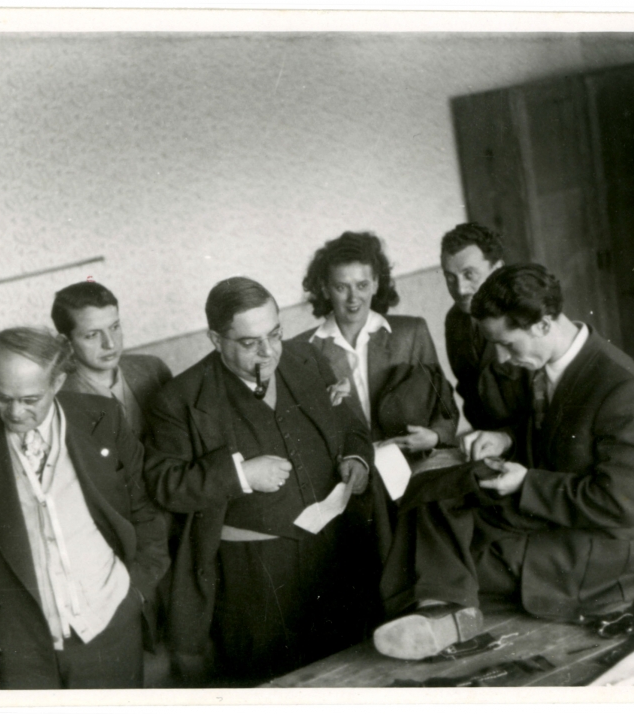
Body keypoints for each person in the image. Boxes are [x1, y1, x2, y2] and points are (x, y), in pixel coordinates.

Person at [374, 264, 634, 660]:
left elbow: (622, 503)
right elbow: (556, 430)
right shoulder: (550, 363)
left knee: (450, 559)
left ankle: (445, 611)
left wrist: (526, 483)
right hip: (557, 513)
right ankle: (443, 608)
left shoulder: (626, 391)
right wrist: (507, 437)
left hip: (609, 550)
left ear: (543, 325)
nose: (504, 358)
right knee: (432, 494)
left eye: (508, 345)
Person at [143, 277, 375, 684]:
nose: (269, 353)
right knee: (276, 681)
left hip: (335, 551)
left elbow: (350, 423)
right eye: (250, 343)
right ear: (215, 339)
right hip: (255, 575)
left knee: (354, 671)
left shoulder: (307, 359)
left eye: (275, 334)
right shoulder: (179, 399)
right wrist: (239, 474)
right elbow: (166, 485)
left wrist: (357, 457)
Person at [0, 327, 169, 688]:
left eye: (30, 399)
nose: (15, 412)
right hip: (17, 648)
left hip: (111, 626)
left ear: (57, 382)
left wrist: (133, 593)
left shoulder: (103, 419)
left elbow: (144, 513)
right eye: (2, 397)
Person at [297, 231, 459, 449]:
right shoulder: (303, 350)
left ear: (375, 283)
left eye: (362, 285)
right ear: (325, 289)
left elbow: (445, 410)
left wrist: (435, 437)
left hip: (417, 463)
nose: (354, 298)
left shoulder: (411, 333)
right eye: (341, 287)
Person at [52, 281, 172, 440]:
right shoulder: (57, 396)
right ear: (65, 342)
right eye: (92, 335)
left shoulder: (153, 369)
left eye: (114, 327)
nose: (110, 343)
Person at [441, 222, 528, 430]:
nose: (460, 289)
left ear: (496, 269)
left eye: (469, 274)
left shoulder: (525, 313)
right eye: (450, 278)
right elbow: (468, 392)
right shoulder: (455, 320)